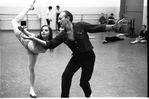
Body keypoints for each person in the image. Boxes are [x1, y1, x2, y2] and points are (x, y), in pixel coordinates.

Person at [23, 10, 127, 97]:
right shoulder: (62, 35)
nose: (58, 21)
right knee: (65, 76)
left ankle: (89, 95)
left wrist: (114, 26)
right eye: (58, 19)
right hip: (76, 58)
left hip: (89, 57)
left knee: (83, 82)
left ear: (67, 18)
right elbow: (50, 44)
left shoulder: (80, 25)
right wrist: (34, 39)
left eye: (60, 18)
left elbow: (98, 28)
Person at [11, 0, 53, 98]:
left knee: (31, 68)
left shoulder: (49, 43)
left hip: (32, 51)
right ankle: (28, 8)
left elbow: (33, 37)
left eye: (46, 30)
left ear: (50, 33)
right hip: (24, 39)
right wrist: (22, 30)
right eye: (42, 30)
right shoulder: (36, 37)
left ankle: (32, 89)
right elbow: (29, 35)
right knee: (13, 21)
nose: (43, 31)